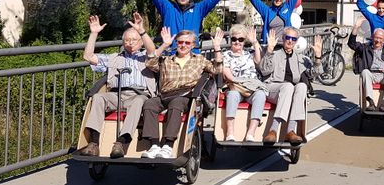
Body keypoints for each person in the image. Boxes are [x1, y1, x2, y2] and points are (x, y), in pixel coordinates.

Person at [80, 12, 159, 158]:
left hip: (139, 94)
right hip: (117, 94)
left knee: (138, 101)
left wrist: (141, 31)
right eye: (127, 40)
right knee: (98, 98)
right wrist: (93, 34)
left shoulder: (145, 57)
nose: (130, 43)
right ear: (123, 43)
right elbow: (88, 57)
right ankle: (93, 144)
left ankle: (121, 142)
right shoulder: (114, 58)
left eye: (134, 40)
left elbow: (152, 51)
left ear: (141, 42)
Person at [139, 28, 223, 159]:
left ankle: (168, 145)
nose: (183, 45)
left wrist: (217, 47)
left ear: (193, 45)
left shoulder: (199, 60)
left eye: (187, 43)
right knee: (150, 103)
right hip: (165, 94)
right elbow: (150, 63)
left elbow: (217, 69)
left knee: (176, 103)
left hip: (186, 95)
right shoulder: (167, 59)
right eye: (180, 42)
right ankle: (154, 145)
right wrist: (164, 45)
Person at [258, 27, 322, 145]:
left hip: (289, 92)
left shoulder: (300, 58)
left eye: (293, 39)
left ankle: (290, 130)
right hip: (272, 89)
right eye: (287, 37)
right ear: (283, 38)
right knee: (288, 86)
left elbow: (314, 74)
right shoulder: (274, 54)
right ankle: (273, 130)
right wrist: (269, 50)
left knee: (302, 86)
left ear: (296, 41)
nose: (290, 41)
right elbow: (264, 70)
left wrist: (318, 57)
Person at [222, 25, 267, 142]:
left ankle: (250, 133)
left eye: (241, 39)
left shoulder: (249, 54)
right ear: (230, 40)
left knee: (261, 94)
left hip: (251, 88)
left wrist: (255, 42)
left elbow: (258, 61)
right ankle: (230, 132)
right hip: (236, 87)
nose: (237, 42)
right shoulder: (225, 55)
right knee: (232, 95)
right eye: (234, 39)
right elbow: (229, 76)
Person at [348, 17, 384, 112]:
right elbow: (352, 44)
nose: (378, 40)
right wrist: (356, 27)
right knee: (365, 72)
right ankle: (370, 102)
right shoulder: (365, 47)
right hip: (371, 75)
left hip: (383, 75)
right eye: (376, 37)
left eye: (380, 38)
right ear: (372, 37)